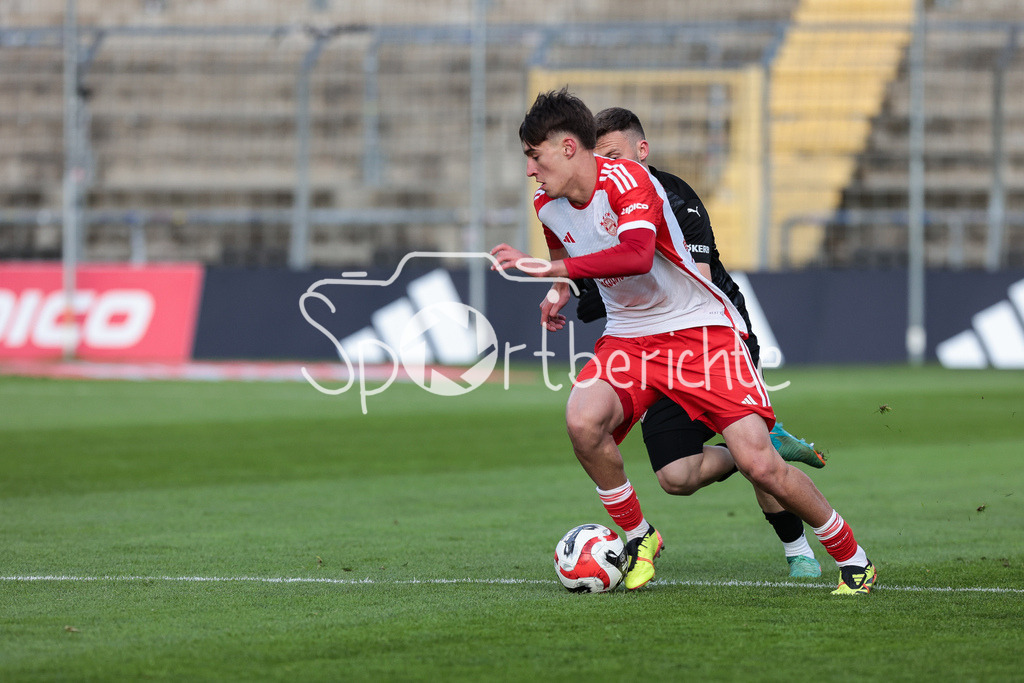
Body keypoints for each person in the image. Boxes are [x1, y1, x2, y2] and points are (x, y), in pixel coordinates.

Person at [490, 88, 876, 595]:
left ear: (567, 147)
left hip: (699, 331)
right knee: (583, 421)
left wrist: (549, 269)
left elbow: (635, 255)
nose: (530, 171)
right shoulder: (548, 202)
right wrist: (559, 289)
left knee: (760, 464)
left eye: (533, 156)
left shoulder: (631, 180)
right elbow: (562, 240)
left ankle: (853, 557)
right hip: (629, 337)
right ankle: (639, 536)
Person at [584, 106, 825, 579]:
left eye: (612, 155)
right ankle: (749, 448)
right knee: (676, 477)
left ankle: (799, 551)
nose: (605, 167)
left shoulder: (676, 198)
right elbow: (597, 295)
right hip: (653, 350)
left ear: (642, 150)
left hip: (714, 334)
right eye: (598, 158)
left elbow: (694, 288)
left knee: (758, 457)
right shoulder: (597, 208)